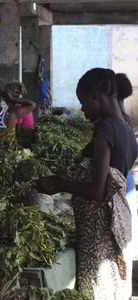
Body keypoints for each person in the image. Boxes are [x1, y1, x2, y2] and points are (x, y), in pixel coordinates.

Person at [37, 68, 137, 299]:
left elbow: (97, 190)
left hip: (99, 226)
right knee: (112, 284)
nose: (82, 109)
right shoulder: (126, 127)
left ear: (96, 97)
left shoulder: (104, 129)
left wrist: (59, 184)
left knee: (97, 286)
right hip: (117, 219)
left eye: (83, 102)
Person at [0, 74, 36, 152]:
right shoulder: (12, 113)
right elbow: (32, 105)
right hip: (13, 158)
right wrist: (12, 99)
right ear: (0, 97)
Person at [115, 73, 138, 260]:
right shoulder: (127, 119)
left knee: (122, 241)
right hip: (128, 181)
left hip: (122, 185)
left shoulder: (116, 123)